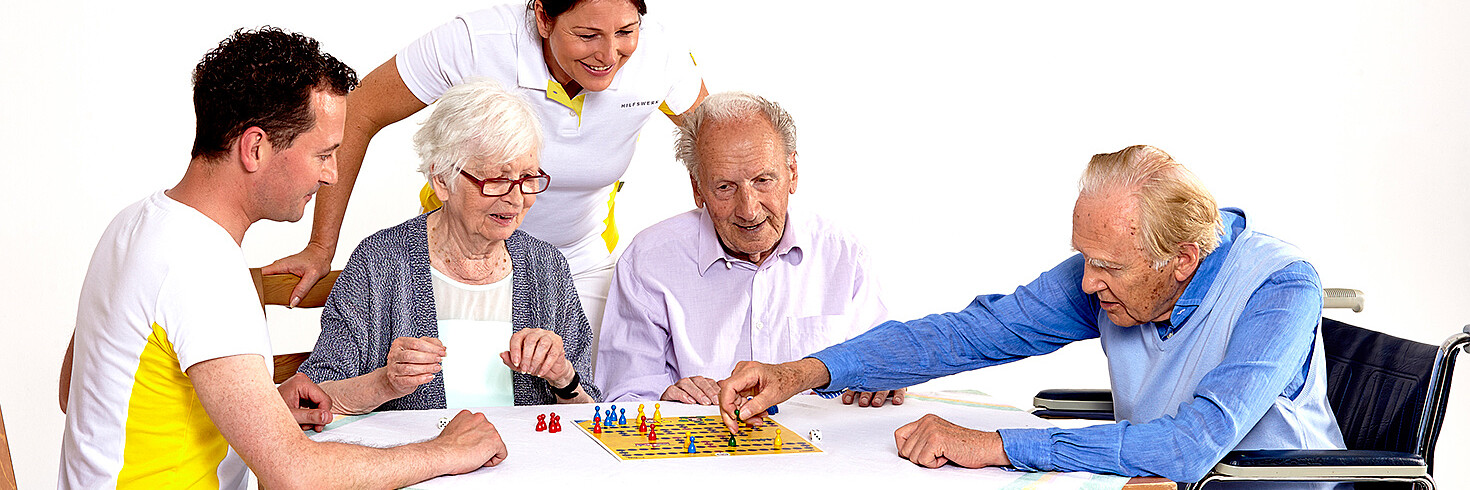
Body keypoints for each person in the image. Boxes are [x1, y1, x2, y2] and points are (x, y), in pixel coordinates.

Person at [717, 145, 1346, 484]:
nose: (1087, 282)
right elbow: (971, 333)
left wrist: (995, 446)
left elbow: (1190, 446)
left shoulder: (1281, 287)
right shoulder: (1112, 268)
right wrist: (804, 372)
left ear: (1181, 258)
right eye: (1084, 259)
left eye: (1108, 268)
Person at [59, 28, 507, 489]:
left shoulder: (134, 225)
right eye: (324, 154)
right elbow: (296, 475)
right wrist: (445, 452)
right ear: (255, 148)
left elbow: (72, 393)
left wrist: (258, 408)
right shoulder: (203, 270)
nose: (332, 175)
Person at [264, 0, 709, 368]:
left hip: (579, 259)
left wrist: (719, 253)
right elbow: (359, 112)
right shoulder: (475, 43)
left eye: (626, 32)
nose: (609, 54)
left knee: (584, 403)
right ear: (542, 16)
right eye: (588, 35)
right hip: (459, 255)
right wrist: (321, 246)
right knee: (446, 398)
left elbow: (714, 142)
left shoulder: (661, 55)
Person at [297, 79, 601, 412]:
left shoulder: (546, 265)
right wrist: (385, 382)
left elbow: (589, 412)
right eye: (497, 181)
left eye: (528, 178)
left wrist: (564, 378)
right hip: (416, 461)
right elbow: (314, 398)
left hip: (524, 462)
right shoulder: (381, 261)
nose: (516, 199)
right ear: (442, 180)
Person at [595, 92, 903, 407]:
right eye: (725, 187)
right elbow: (623, 395)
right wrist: (664, 398)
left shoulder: (843, 255)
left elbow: (884, 365)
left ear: (792, 173)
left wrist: (886, 380)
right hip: (700, 451)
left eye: (763, 180)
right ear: (698, 188)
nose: (749, 210)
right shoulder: (648, 261)